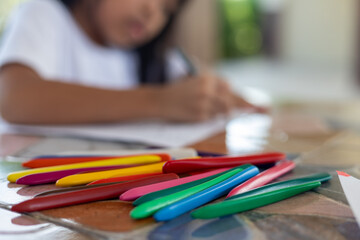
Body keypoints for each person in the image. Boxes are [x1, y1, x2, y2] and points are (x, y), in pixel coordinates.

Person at [0, 0, 261, 125]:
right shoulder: (44, 13)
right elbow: (14, 99)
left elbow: (196, 83)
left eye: (166, 10)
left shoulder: (147, 56)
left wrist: (217, 96)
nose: (152, 13)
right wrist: (159, 101)